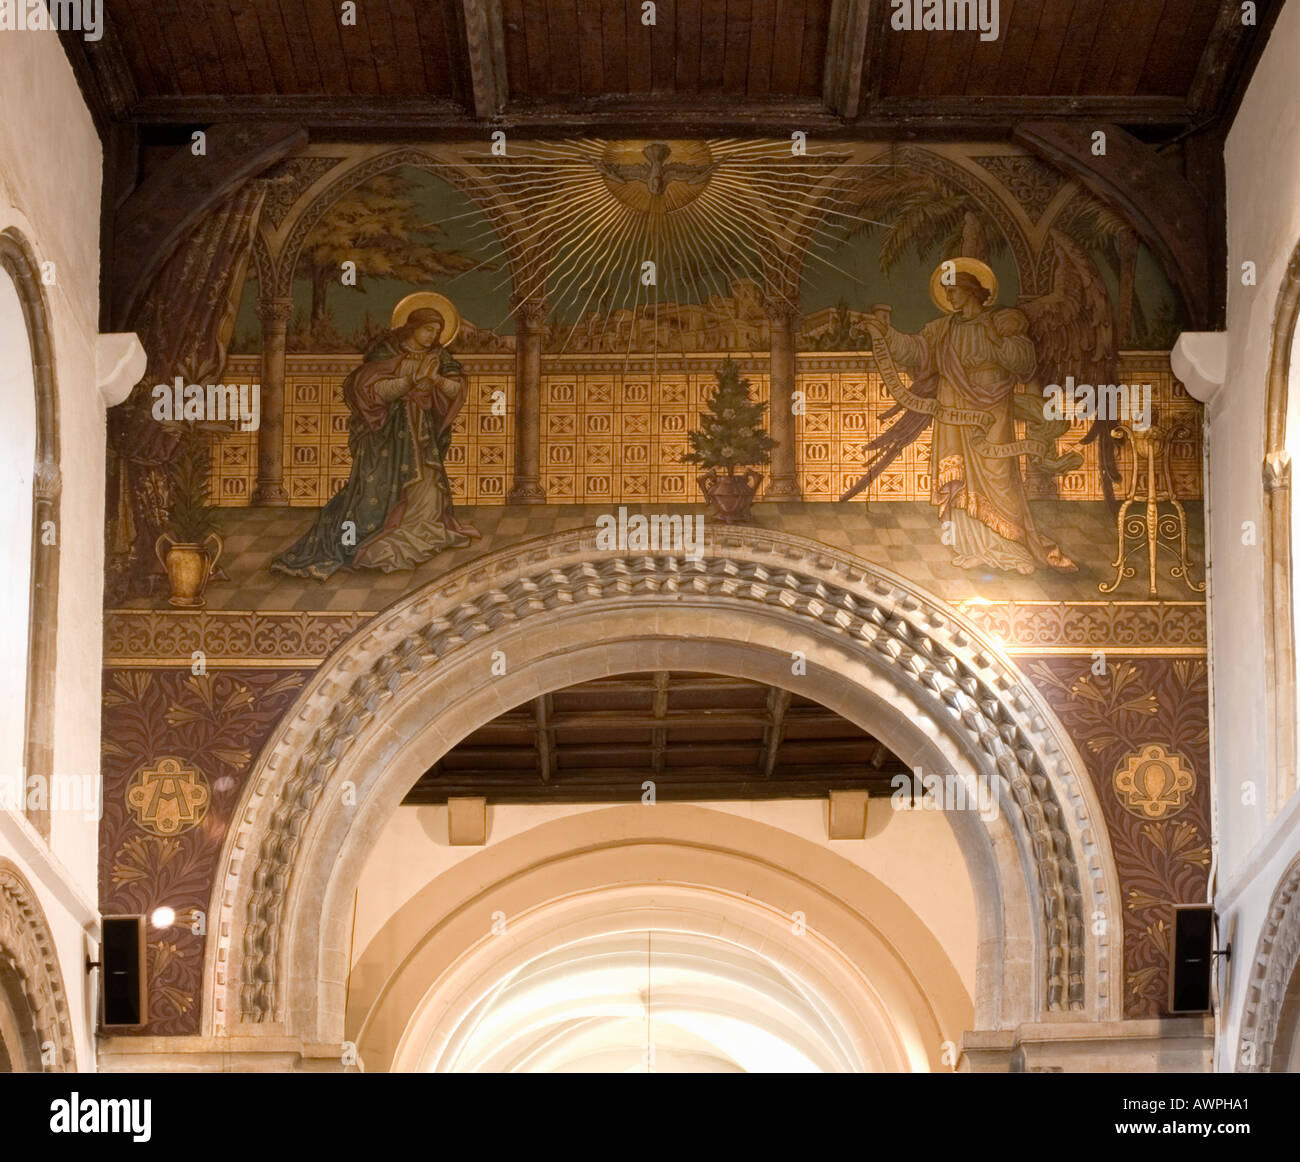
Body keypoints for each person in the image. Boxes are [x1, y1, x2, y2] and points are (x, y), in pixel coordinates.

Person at [863, 269, 1075, 575]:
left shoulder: (1000, 322)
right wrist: (884, 333)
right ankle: (973, 547)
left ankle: (1011, 549)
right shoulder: (943, 329)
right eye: (947, 292)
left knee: (997, 474)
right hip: (953, 407)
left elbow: (1024, 361)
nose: (949, 296)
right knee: (958, 471)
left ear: (971, 291)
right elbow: (914, 350)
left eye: (954, 290)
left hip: (992, 411)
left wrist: (997, 343)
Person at [272, 307, 478, 580]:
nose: (432, 336)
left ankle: (421, 530)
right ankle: (373, 537)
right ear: (412, 327)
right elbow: (368, 389)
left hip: (422, 432)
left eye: (437, 332)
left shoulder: (439, 356)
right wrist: (410, 381)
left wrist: (437, 379)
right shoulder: (386, 352)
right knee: (375, 486)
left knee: (427, 485)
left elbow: (457, 390)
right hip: (387, 433)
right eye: (428, 329)